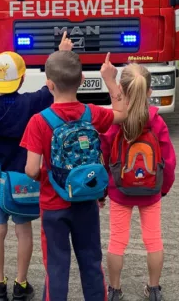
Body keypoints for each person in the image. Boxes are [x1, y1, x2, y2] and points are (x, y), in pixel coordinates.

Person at [20, 44, 127, 301]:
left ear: (49, 85)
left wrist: (48, 176)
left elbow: (31, 169)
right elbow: (122, 114)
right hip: (87, 202)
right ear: (81, 80)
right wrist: (110, 80)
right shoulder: (91, 114)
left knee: (56, 268)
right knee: (91, 263)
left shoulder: (39, 121)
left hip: (53, 205)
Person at [0, 50, 55, 301]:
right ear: (20, 80)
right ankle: (21, 284)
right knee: (24, 231)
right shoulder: (29, 104)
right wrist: (61, 53)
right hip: (24, 181)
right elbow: (49, 90)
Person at [101, 64, 176, 301]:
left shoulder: (115, 122)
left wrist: (102, 191)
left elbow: (104, 154)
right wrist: (162, 189)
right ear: (150, 92)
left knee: (117, 241)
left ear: (121, 92)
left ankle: (114, 290)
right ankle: (153, 289)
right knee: (153, 239)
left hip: (120, 191)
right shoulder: (157, 122)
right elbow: (169, 162)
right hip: (151, 191)